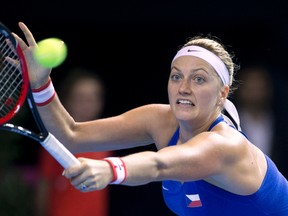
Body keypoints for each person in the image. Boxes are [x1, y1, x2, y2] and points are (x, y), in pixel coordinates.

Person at [14, 21, 288, 215]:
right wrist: (40, 85)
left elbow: (159, 165)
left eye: (199, 79)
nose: (184, 87)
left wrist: (111, 169)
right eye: (176, 76)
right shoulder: (161, 120)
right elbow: (71, 135)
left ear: (222, 93)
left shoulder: (226, 146)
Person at [35, 68, 112, 216]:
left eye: (92, 99)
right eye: (80, 98)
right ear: (67, 100)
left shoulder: (107, 138)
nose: (86, 105)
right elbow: (43, 184)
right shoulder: (55, 140)